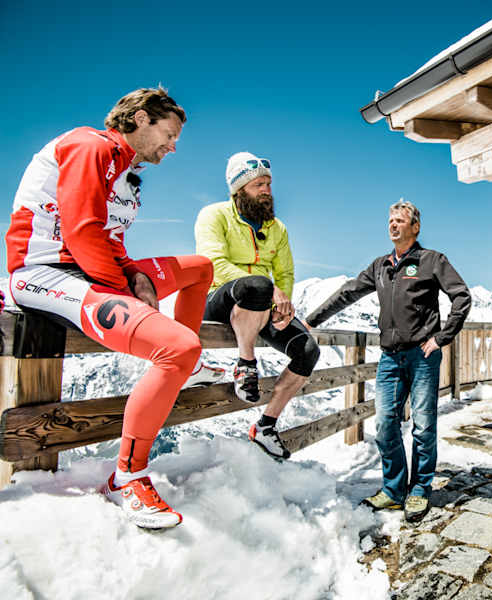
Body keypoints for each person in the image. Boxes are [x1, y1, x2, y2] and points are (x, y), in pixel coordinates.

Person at [5, 87, 223, 529]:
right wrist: (124, 289)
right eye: (169, 133)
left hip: (91, 269)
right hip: (45, 273)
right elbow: (84, 233)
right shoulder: (90, 146)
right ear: (140, 119)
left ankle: (190, 366)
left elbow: (108, 240)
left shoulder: (126, 171)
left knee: (200, 268)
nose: (173, 145)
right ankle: (128, 475)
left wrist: (132, 274)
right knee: (177, 347)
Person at [303, 201, 471, 522]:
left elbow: (461, 296)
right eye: (390, 220)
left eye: (400, 221)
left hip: (422, 356)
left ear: (415, 227)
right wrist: (312, 320)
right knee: (384, 425)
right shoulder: (381, 266)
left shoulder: (431, 260)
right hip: (389, 358)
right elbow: (348, 292)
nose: (393, 226)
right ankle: (394, 490)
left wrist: (441, 337)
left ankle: (420, 489)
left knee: (423, 426)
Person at [194, 152, 320, 460]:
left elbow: (286, 271)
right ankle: (246, 365)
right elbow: (213, 263)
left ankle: (266, 425)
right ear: (239, 190)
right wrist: (271, 290)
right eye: (258, 185)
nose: (266, 190)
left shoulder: (277, 228)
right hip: (217, 299)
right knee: (258, 284)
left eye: (268, 184)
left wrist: (283, 303)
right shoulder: (215, 215)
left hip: (263, 302)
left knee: (307, 351)